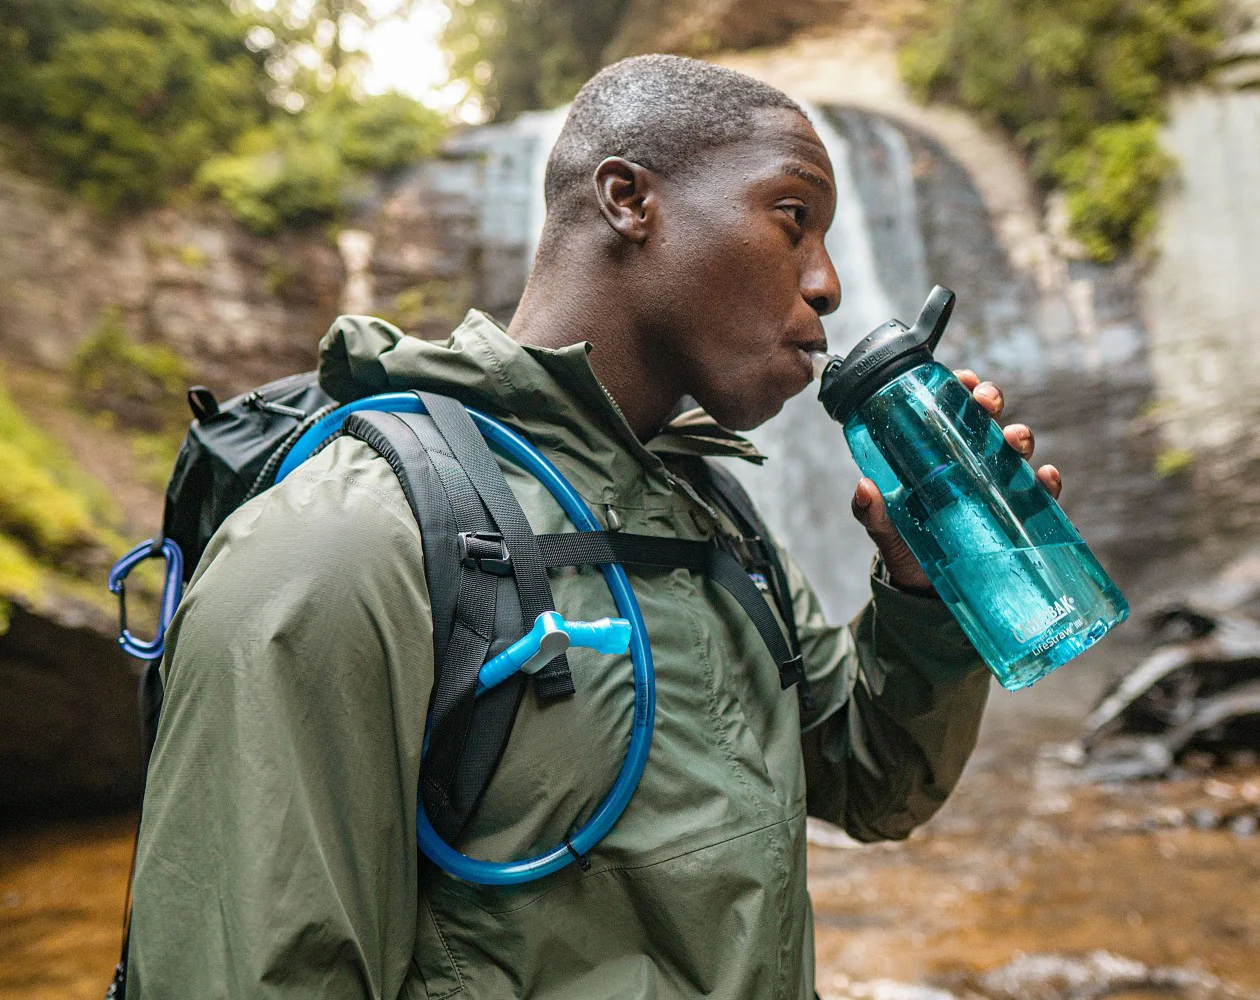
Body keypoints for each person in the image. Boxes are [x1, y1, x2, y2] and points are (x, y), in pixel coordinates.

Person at [127, 54, 1063, 999]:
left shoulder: (707, 513)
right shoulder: (347, 543)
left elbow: (876, 783)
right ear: (628, 200)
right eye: (792, 217)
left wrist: (923, 588)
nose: (826, 284)